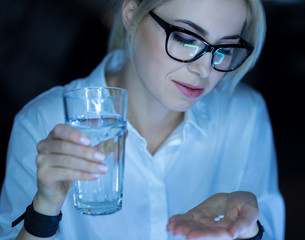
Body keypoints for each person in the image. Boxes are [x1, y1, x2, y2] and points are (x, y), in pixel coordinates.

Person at [0, 0, 285, 239]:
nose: (204, 69)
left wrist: (249, 233)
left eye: (224, 49)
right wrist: (45, 209)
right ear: (131, 13)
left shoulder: (245, 117)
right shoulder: (43, 122)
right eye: (186, 38)